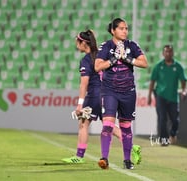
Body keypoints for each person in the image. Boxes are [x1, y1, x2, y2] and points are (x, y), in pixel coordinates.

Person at [94, 18, 148, 169]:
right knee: (108, 124)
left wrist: (126, 58)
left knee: (125, 126)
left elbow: (144, 63)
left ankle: (127, 160)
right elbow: (97, 67)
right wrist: (113, 59)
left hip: (128, 92)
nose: (125, 31)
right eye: (121, 28)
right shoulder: (106, 46)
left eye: (126, 28)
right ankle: (104, 158)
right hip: (109, 90)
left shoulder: (132, 45)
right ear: (113, 30)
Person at [61, 30, 122, 163]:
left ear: (84, 43)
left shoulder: (86, 60)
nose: (76, 44)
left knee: (83, 123)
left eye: (78, 41)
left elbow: (84, 84)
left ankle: (79, 156)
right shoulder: (101, 56)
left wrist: (79, 104)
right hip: (107, 95)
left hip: (94, 95)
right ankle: (132, 146)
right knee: (109, 125)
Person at [147, 45, 187, 146]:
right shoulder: (158, 66)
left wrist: (184, 91)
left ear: (172, 53)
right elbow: (152, 81)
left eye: (170, 52)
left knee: (175, 120)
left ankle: (173, 134)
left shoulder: (178, 66)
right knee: (162, 118)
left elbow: (183, 80)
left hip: (173, 97)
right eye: (166, 52)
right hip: (161, 95)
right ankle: (163, 140)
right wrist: (149, 95)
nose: (168, 54)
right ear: (163, 53)